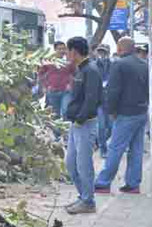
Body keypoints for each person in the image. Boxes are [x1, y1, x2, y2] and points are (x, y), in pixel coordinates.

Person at [94, 37, 149, 194]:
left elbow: (113, 90)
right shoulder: (143, 64)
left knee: (115, 148)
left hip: (125, 113)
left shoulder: (119, 64)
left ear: (119, 48)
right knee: (136, 149)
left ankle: (103, 183)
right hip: (140, 112)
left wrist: (111, 110)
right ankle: (133, 184)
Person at [63, 36, 103, 215]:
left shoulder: (91, 70)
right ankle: (83, 196)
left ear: (74, 51)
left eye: (67, 50)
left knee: (83, 164)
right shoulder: (81, 69)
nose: (65, 54)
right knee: (70, 163)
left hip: (85, 124)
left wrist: (80, 118)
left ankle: (88, 201)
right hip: (76, 124)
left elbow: (92, 99)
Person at [38, 41, 74, 119]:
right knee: (55, 114)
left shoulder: (69, 61)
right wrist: (46, 86)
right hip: (52, 91)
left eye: (63, 49)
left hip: (66, 91)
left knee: (65, 111)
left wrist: (70, 84)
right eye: (59, 49)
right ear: (55, 50)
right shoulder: (48, 61)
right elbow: (40, 74)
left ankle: (67, 129)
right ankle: (57, 131)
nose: (62, 51)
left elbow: (75, 74)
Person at [93, 44, 113, 157]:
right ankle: (103, 149)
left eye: (104, 52)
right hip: (98, 100)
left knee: (111, 127)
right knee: (101, 126)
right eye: (100, 52)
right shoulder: (93, 65)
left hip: (110, 100)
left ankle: (100, 142)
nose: (102, 54)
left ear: (108, 52)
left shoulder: (114, 64)